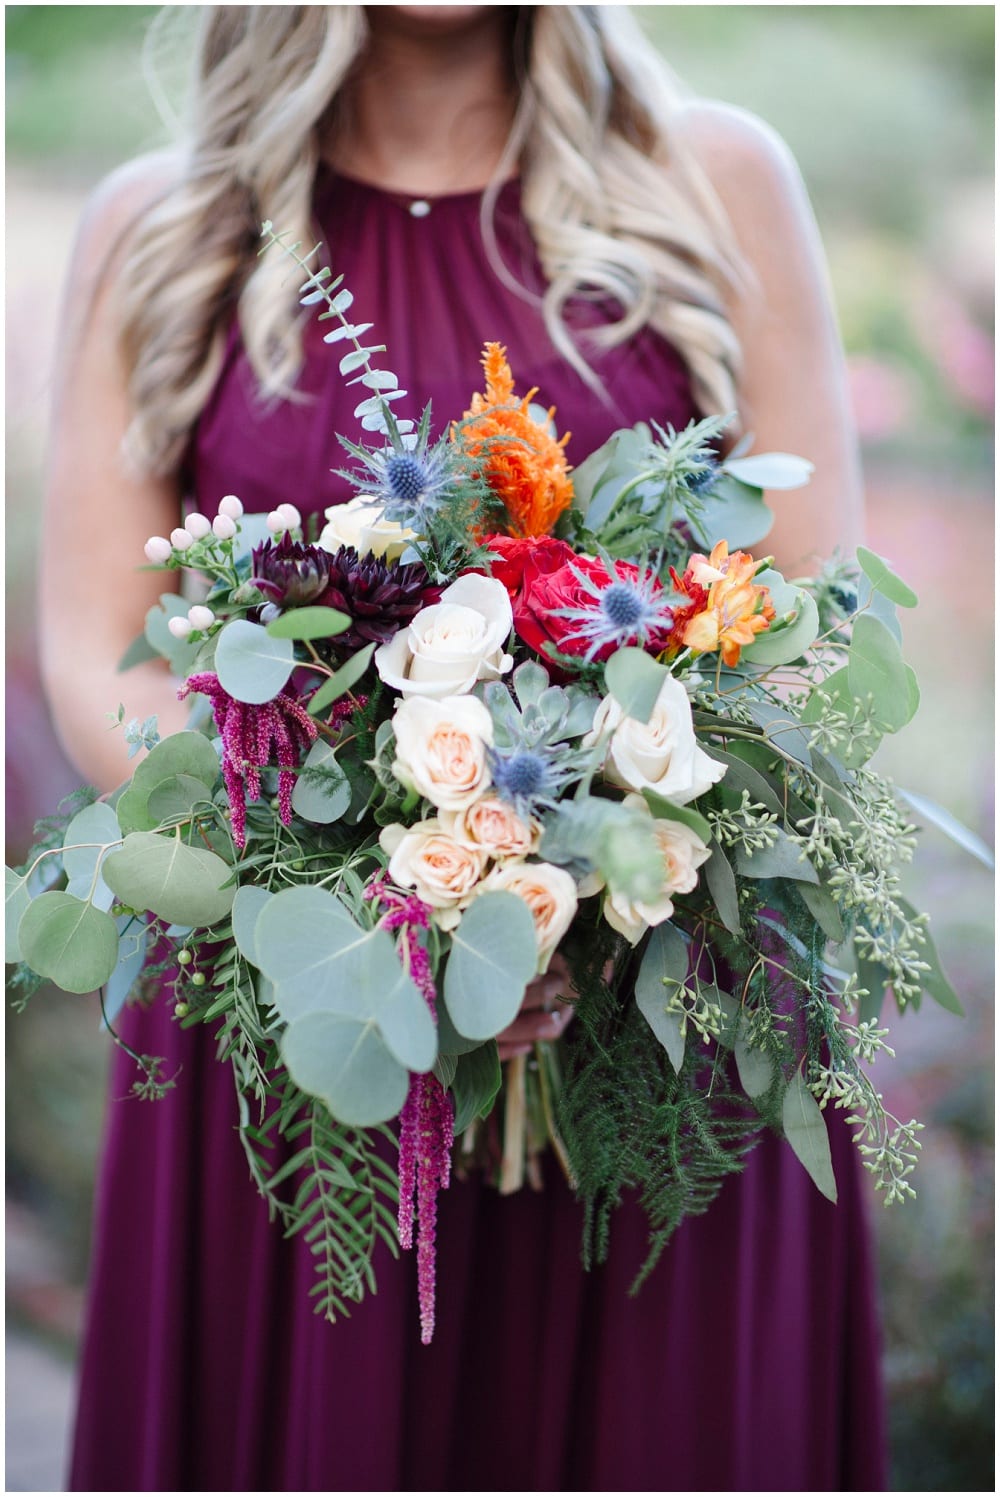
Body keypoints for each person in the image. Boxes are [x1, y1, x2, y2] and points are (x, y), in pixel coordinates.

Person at [43, 6, 883, 1490]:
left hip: (663, 1027)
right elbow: (98, 650)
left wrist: (591, 875)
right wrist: (371, 907)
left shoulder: (713, 183)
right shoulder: (164, 228)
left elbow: (808, 625)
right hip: (307, 1033)